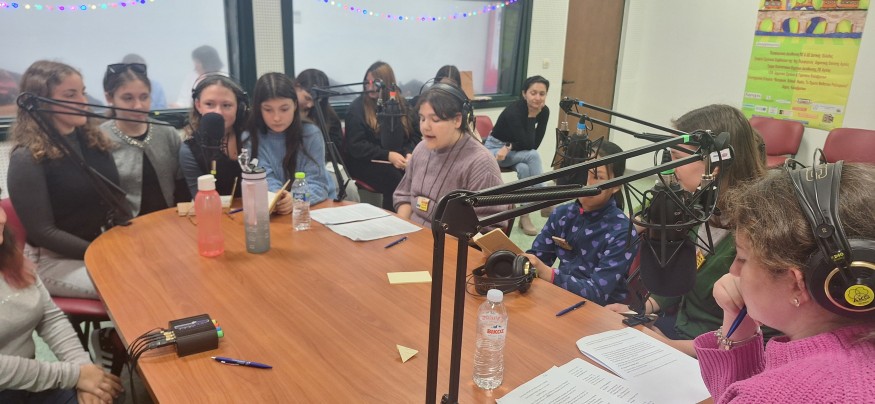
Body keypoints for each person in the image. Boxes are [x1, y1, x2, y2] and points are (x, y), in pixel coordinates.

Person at [694, 163, 875, 402]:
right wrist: (738, 318)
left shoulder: (769, 396)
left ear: (796, 284)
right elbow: (735, 393)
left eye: (742, 258)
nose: (733, 271)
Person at [606, 104, 773, 356]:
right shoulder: (696, 207)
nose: (671, 168)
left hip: (714, 355)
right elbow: (682, 280)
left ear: (714, 164)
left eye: (677, 157)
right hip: (678, 334)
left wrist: (667, 345)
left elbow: (754, 340)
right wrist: (641, 311)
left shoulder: (758, 233)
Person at [8, 60, 126, 299]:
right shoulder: (26, 158)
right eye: (70, 95)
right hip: (54, 261)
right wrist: (102, 253)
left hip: (98, 246)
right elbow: (43, 232)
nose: (83, 101)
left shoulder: (94, 141)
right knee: (130, 285)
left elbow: (115, 199)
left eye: (82, 92)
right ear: (40, 102)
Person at [0, 193, 125, 404]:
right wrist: (74, 376)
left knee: (107, 396)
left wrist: (85, 371)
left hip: (27, 382)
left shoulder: (8, 253)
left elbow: (49, 316)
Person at [521, 141, 636, 306]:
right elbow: (538, 258)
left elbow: (597, 293)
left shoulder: (622, 232)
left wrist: (550, 274)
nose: (587, 182)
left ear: (616, 186)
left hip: (601, 312)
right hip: (561, 298)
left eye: (597, 177)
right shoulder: (562, 214)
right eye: (585, 172)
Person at [393, 83, 506, 230]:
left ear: (457, 120)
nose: (425, 126)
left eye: (435, 120)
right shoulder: (421, 149)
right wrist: (400, 230)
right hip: (413, 234)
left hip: (450, 241)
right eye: (422, 118)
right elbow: (404, 196)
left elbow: (488, 228)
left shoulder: (481, 163)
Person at [100, 62, 184, 217]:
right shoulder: (99, 139)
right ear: (109, 98)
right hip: (125, 226)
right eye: (128, 98)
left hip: (170, 220)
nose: (138, 106)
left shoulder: (167, 133)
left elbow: (181, 184)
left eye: (144, 97)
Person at [246, 72, 336, 210]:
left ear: (295, 105)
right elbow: (265, 178)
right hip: (275, 207)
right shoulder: (251, 137)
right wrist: (279, 197)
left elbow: (318, 185)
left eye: (284, 109)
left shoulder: (311, 134)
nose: (277, 118)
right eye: (268, 110)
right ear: (259, 108)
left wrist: (295, 199)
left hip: (315, 207)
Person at [344, 61, 421, 211]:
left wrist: (409, 153)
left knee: (418, 174)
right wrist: (388, 155)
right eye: (367, 82)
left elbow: (415, 135)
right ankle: (394, 219)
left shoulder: (402, 105)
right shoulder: (356, 109)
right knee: (395, 179)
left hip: (399, 159)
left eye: (375, 83)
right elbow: (356, 146)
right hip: (365, 162)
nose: (370, 87)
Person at [482, 75, 550, 235]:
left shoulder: (544, 111)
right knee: (533, 156)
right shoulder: (514, 111)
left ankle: (524, 215)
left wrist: (510, 146)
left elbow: (533, 144)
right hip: (495, 150)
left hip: (513, 150)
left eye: (542, 94)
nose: (537, 97)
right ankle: (545, 198)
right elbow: (528, 146)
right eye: (533, 93)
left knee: (524, 168)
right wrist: (531, 117)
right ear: (524, 93)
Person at [179, 74, 249, 198]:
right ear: (198, 105)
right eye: (209, 104)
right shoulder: (190, 149)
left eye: (226, 105)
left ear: (238, 107)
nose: (218, 112)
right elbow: (201, 198)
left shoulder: (252, 137)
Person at [295, 69, 344, 161]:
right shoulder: (285, 113)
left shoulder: (330, 118)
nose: (310, 105)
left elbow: (335, 151)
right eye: (307, 98)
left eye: (317, 101)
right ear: (297, 87)